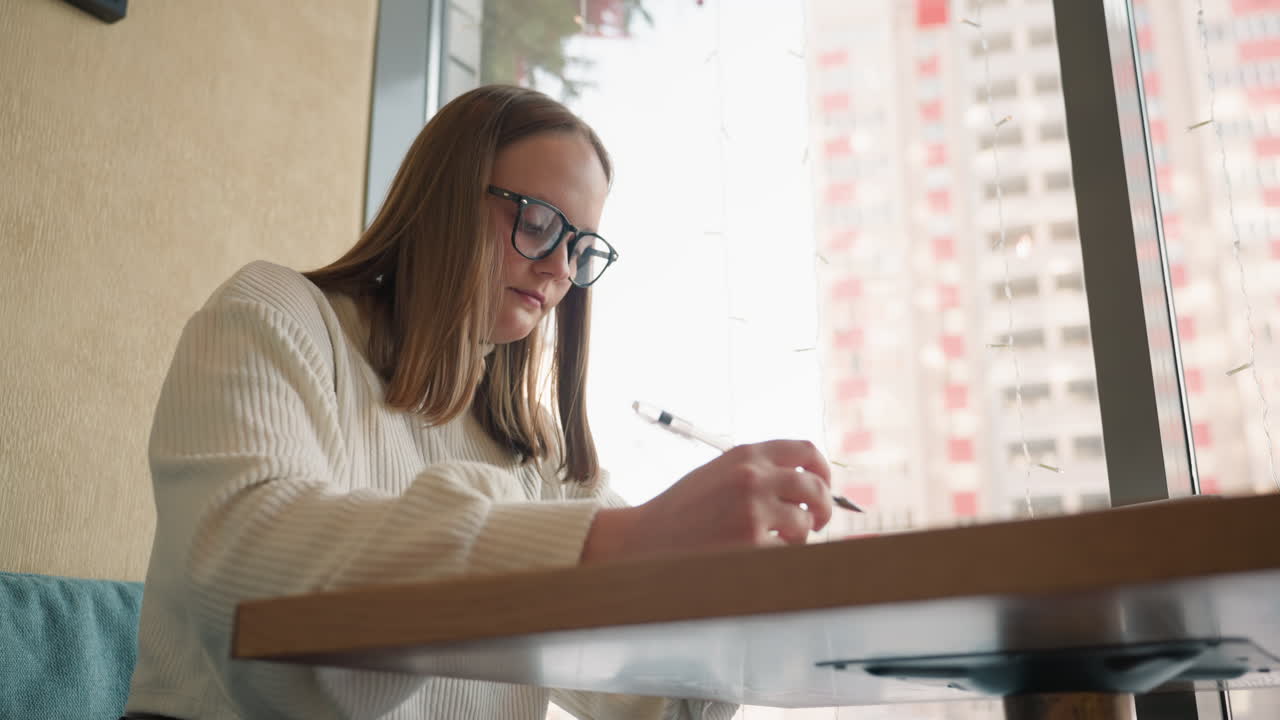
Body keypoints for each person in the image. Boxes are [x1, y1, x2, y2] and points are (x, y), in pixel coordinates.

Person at [122, 84, 833, 720]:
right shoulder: (274, 317)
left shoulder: (534, 452)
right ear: (445, 198)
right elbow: (254, 597)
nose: (559, 268)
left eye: (580, 246)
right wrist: (632, 540)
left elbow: (648, 697)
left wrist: (747, 595)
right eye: (538, 222)